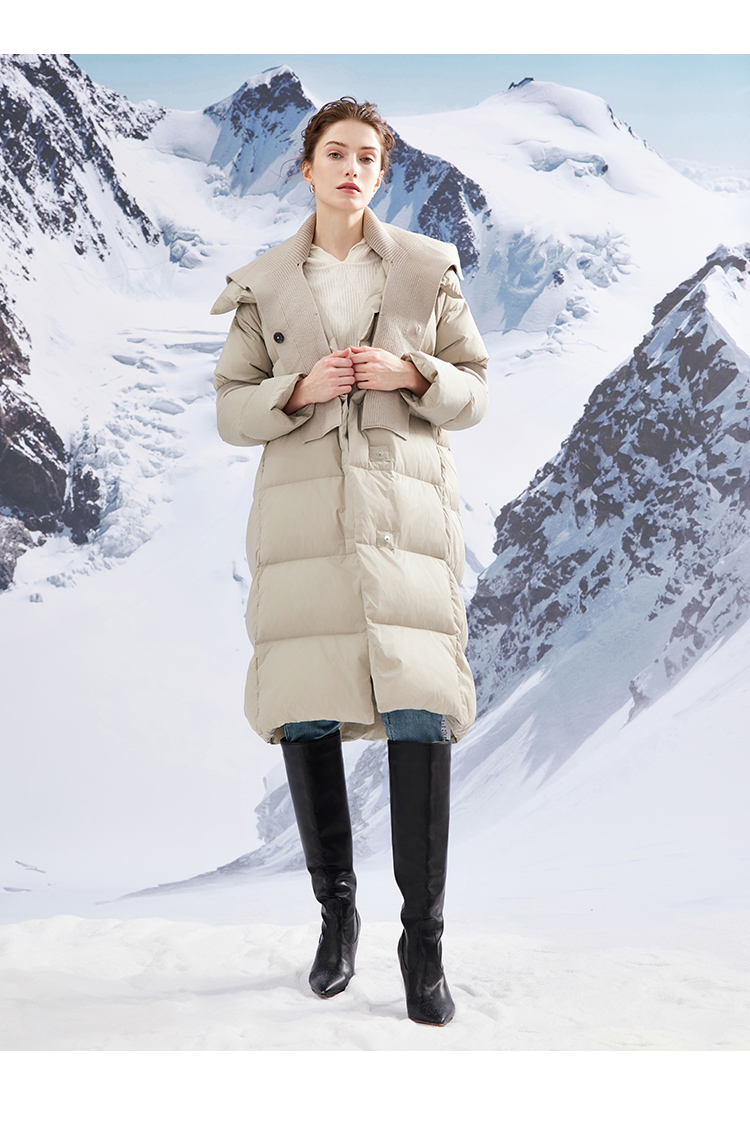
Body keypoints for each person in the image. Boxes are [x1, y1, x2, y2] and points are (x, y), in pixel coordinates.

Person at [210, 96, 489, 1026]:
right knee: (306, 709)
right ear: (307, 167)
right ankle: (337, 919)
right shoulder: (262, 287)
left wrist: (414, 374)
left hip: (405, 512)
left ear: (383, 172)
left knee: (419, 709)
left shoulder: (425, 270)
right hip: (304, 520)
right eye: (337, 153)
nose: (352, 169)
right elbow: (231, 408)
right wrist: (297, 389)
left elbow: (474, 389)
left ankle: (423, 943)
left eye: (368, 156)